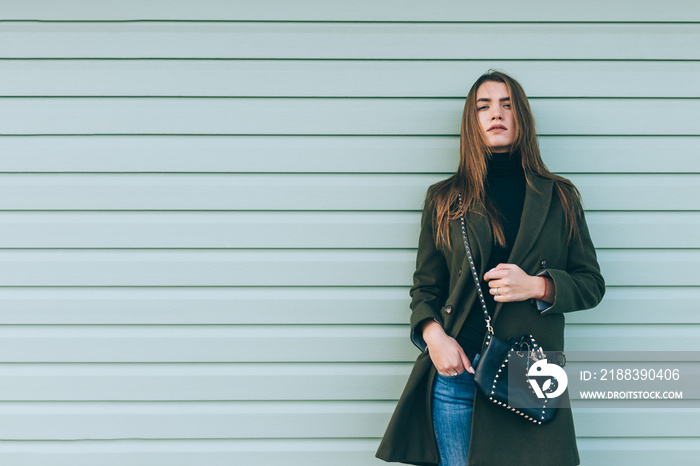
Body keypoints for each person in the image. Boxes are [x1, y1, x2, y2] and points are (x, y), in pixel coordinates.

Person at [375, 70, 605, 465]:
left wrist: (537, 286)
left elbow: (592, 284)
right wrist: (434, 339)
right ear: (472, 120)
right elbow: (425, 289)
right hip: (457, 373)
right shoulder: (445, 199)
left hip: (527, 378)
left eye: (507, 104)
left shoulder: (559, 197)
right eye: (484, 106)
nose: (495, 113)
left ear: (522, 117)